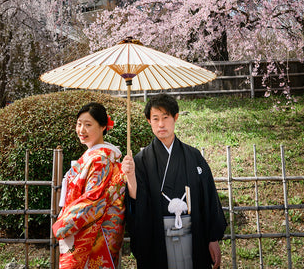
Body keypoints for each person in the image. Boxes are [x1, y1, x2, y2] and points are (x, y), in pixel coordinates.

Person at [122, 93, 227, 269]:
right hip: (157, 239)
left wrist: (212, 238)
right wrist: (131, 177)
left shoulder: (193, 156)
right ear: (149, 121)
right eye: (155, 119)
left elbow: (208, 198)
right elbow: (136, 203)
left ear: (175, 117)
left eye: (165, 117)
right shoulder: (140, 161)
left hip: (193, 234)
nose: (161, 124)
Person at [52, 102, 126, 269]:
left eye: (88, 125)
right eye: (79, 124)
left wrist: (63, 223)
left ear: (103, 127)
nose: (81, 130)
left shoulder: (100, 159)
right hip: (97, 227)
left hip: (96, 230)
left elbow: (93, 199)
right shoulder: (96, 155)